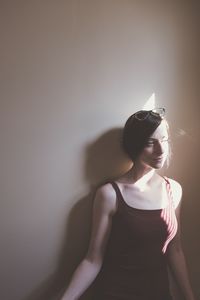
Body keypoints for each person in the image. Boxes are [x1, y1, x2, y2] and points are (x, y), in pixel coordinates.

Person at [60, 108, 195, 300]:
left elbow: (175, 250)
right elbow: (92, 259)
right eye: (150, 142)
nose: (161, 150)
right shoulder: (109, 194)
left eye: (164, 140)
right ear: (134, 145)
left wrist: (189, 296)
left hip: (159, 294)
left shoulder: (173, 190)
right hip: (116, 293)